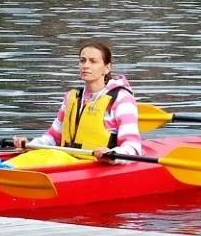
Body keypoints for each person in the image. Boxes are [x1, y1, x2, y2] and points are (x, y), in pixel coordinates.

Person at [9, 39, 142, 163]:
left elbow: (133, 147)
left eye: (93, 61)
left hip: (98, 165)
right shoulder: (72, 97)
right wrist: (29, 145)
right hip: (66, 162)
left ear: (107, 68)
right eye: (82, 61)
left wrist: (112, 154)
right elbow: (52, 137)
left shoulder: (121, 99)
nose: (85, 66)